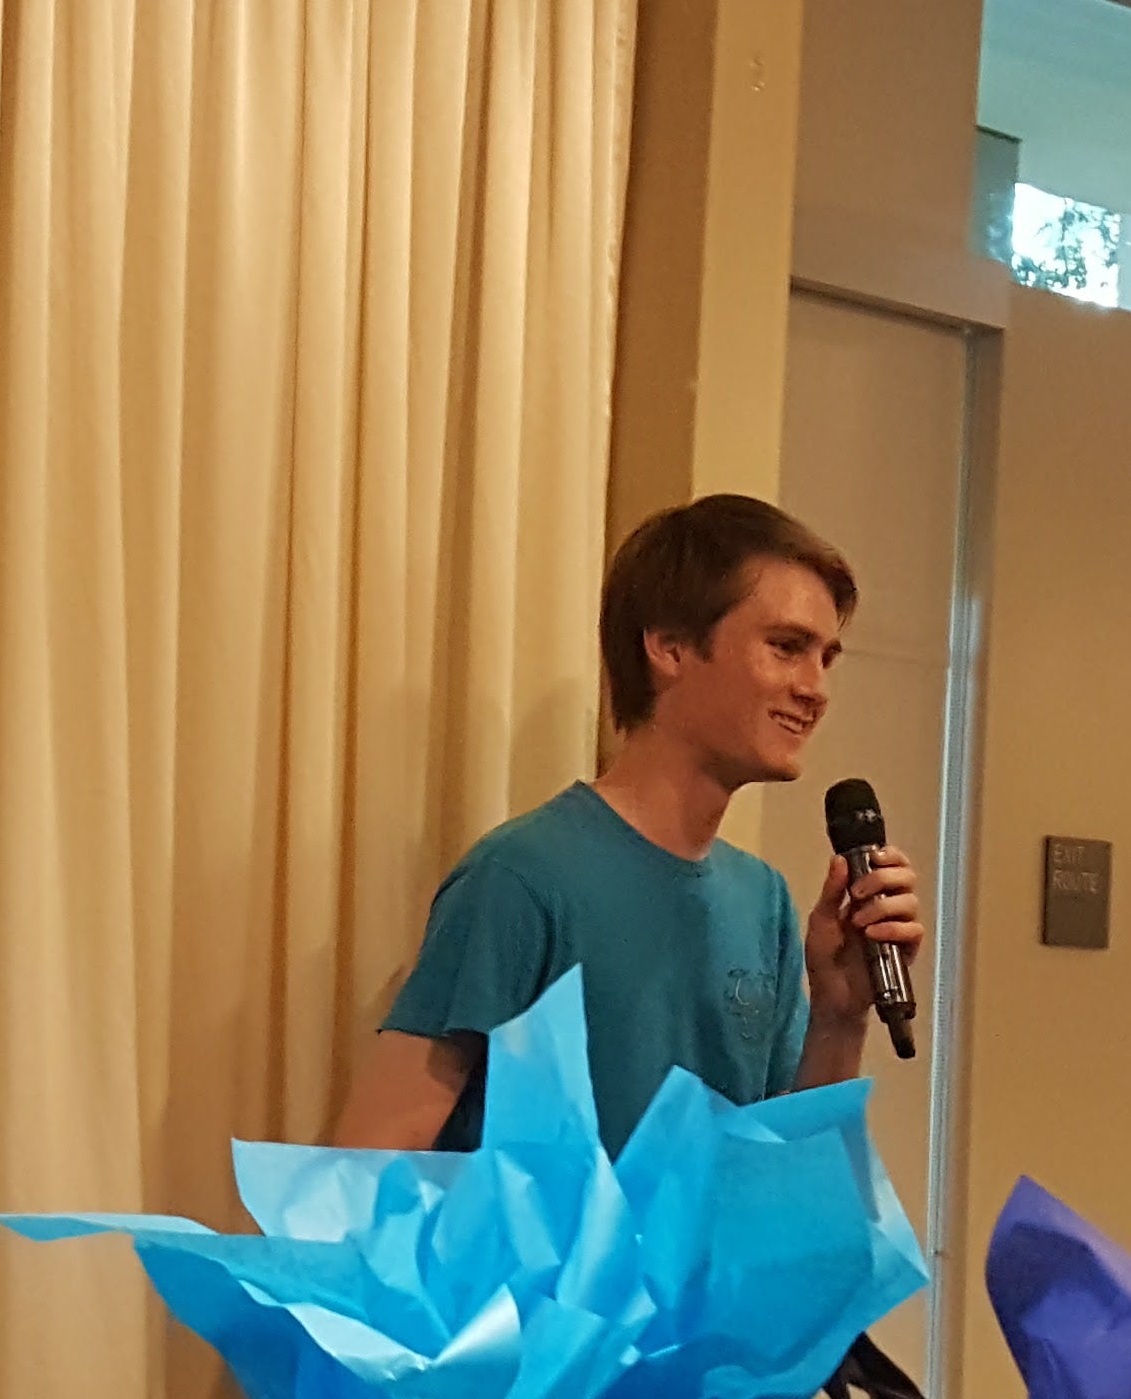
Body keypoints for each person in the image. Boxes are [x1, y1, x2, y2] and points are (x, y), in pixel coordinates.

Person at [329, 494, 928, 1155]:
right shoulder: (523, 877)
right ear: (670, 647)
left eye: (826, 659)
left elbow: (783, 1181)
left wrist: (840, 1018)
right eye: (787, 648)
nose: (815, 689)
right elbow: (373, 1160)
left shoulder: (763, 901)